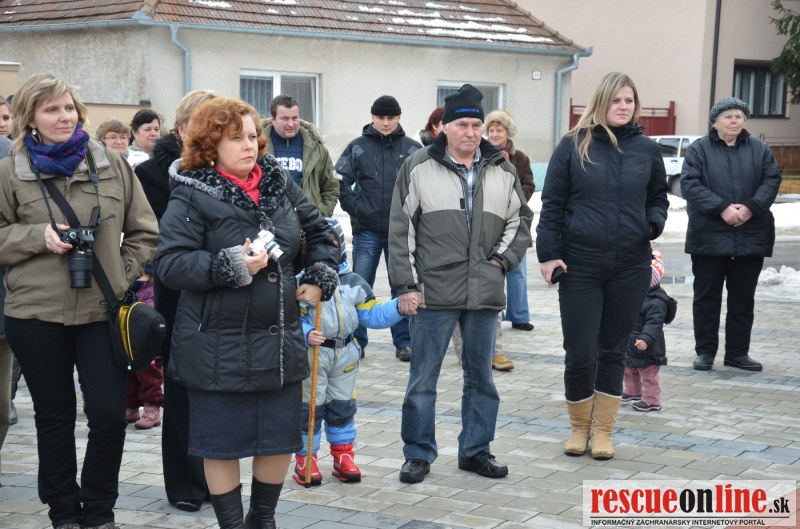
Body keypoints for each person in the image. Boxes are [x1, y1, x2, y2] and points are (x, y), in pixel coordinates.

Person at [155, 96, 339, 529]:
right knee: (220, 444)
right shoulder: (192, 191)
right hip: (216, 345)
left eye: (253, 136)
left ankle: (263, 520)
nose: (249, 145)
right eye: (235, 138)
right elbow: (171, 265)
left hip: (278, 342)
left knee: (277, 439)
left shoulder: (277, 180)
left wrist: (319, 275)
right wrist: (231, 264)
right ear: (210, 145)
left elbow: (321, 232)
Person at [0, 73, 159, 529]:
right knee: (54, 417)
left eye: (69, 107)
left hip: (100, 312)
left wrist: (120, 274)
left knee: (108, 415)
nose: (64, 116)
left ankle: (100, 510)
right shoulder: (10, 171)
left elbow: (145, 230)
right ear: (30, 117)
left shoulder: (111, 162)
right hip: (36, 313)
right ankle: (64, 513)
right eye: (51, 109)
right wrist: (38, 237)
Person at [389, 84, 533, 483]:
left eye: (476, 125)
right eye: (461, 124)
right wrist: (406, 285)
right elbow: (400, 230)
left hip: (484, 289)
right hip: (433, 291)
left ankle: (475, 450)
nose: (470, 132)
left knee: (481, 378)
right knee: (423, 379)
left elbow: (520, 221)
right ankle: (418, 453)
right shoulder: (418, 166)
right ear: (444, 128)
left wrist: (501, 261)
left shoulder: (501, 168)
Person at [536, 71, 669, 461]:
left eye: (629, 100)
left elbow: (658, 197)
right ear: (601, 102)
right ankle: (579, 427)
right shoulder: (573, 145)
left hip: (630, 265)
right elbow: (552, 204)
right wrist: (548, 254)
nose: (623, 106)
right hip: (581, 265)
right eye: (616, 100)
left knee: (612, 350)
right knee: (580, 351)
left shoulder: (647, 150)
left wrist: (651, 224)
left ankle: (603, 430)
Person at [135, 88, 219, 512]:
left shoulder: (233, 171)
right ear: (182, 129)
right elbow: (154, 237)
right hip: (178, 295)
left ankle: (217, 479)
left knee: (219, 391)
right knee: (183, 388)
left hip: (226, 293)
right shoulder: (153, 174)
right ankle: (184, 483)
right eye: (203, 125)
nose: (211, 134)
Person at [293, 218, 406, 486]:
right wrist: (306, 332)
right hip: (312, 355)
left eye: (331, 243)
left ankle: (343, 455)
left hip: (344, 355)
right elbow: (291, 318)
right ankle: (305, 459)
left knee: (343, 406)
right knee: (309, 408)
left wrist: (398, 307)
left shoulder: (354, 281)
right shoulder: (300, 281)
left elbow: (372, 315)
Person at [681, 97, 781, 372]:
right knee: (706, 299)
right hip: (709, 236)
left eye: (738, 116)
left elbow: (771, 180)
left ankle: (737, 353)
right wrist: (722, 208)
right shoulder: (698, 150)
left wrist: (750, 207)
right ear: (715, 122)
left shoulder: (760, 150)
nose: (734, 121)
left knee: (742, 299)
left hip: (751, 235)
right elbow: (690, 184)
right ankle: (705, 352)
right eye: (728, 116)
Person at [337, 95, 421, 362]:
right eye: (380, 117)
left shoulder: (413, 149)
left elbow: (426, 185)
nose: (385, 123)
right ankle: (357, 340)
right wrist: (357, 208)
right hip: (367, 231)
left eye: (390, 118)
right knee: (359, 287)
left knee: (402, 286)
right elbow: (339, 181)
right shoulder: (358, 147)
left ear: (399, 118)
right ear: (372, 117)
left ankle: (404, 342)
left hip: (401, 233)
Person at [263, 95, 339, 216]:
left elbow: (331, 187)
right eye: (285, 119)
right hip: (270, 220)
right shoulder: (256, 147)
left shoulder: (317, 149)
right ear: (273, 119)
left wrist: (321, 214)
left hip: (307, 221)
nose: (291, 124)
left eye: (295, 118)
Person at [622, 252, 669, 412]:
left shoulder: (657, 302)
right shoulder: (635, 296)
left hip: (649, 346)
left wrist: (646, 338)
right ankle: (633, 391)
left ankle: (652, 400)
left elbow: (654, 324)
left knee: (649, 375)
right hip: (632, 343)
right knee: (629, 369)